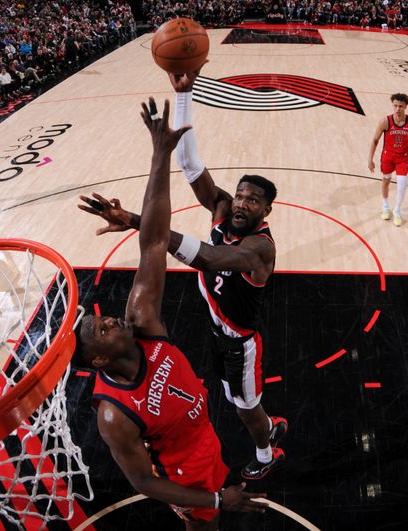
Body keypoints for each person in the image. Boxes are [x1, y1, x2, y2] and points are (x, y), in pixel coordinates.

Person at [80, 70, 288, 482]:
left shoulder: (261, 247)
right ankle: (263, 424)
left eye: (254, 201)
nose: (243, 203)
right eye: (242, 194)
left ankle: (267, 450)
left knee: (245, 406)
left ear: (267, 211)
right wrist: (183, 93)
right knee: (232, 398)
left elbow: (209, 258)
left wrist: (143, 223)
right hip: (215, 331)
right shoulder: (223, 208)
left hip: (241, 342)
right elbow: (191, 165)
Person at [368, 93, 408, 226]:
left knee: (402, 184)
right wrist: (370, 159)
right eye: (395, 106)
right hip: (388, 156)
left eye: (401, 106)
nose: (398, 109)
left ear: (406, 106)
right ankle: (385, 207)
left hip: (403, 158)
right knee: (386, 181)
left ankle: (397, 210)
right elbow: (375, 140)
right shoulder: (385, 121)